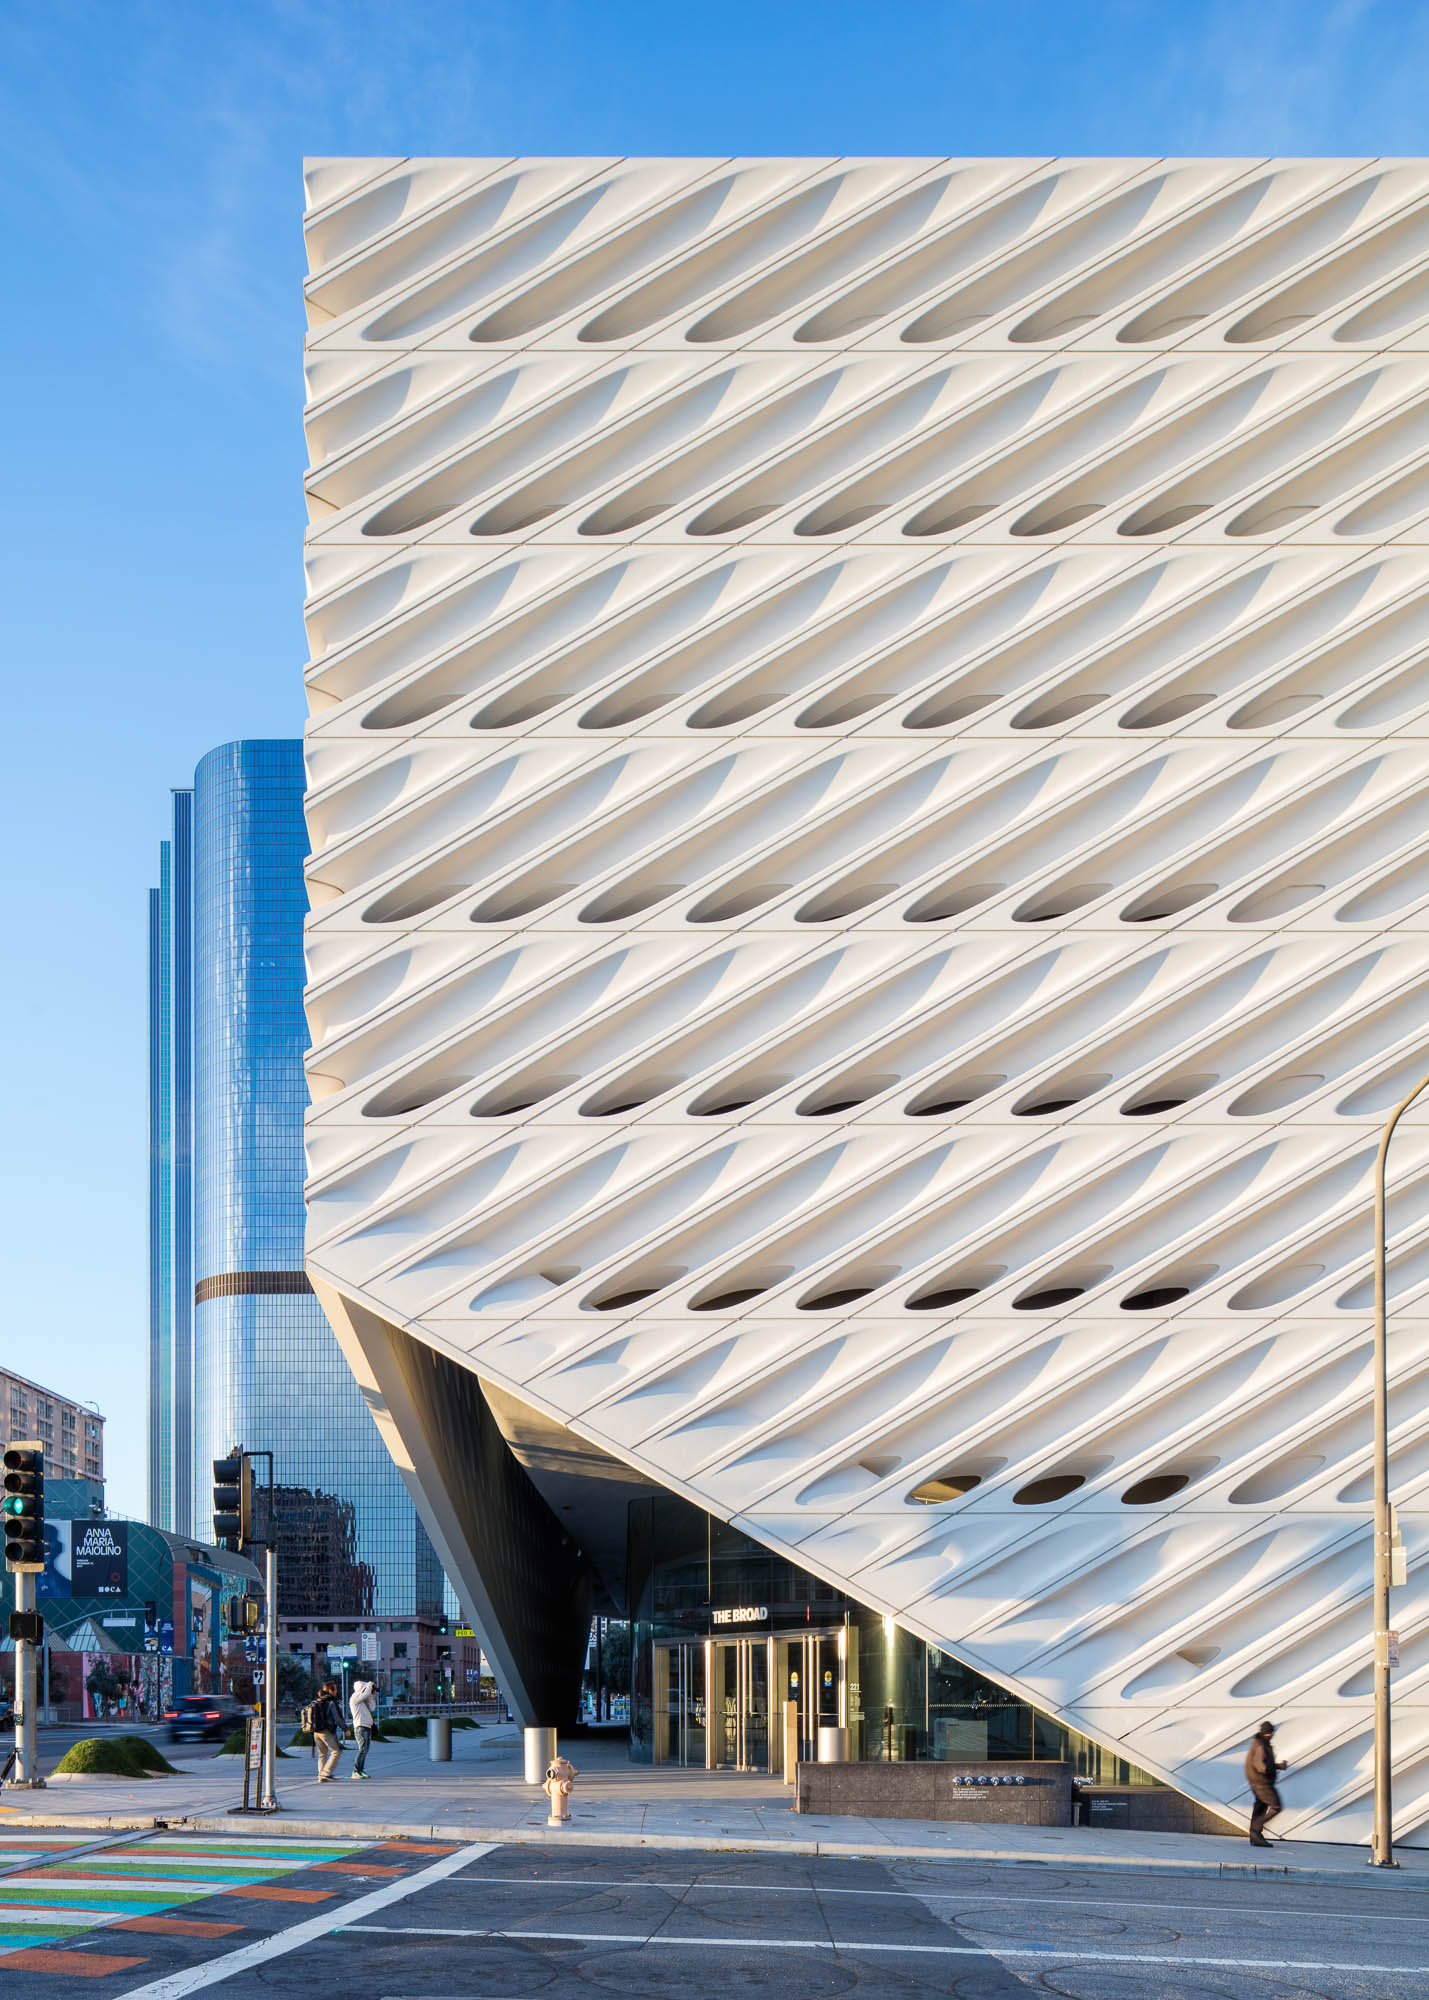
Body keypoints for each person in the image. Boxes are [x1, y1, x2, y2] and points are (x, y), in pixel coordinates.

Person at [1245, 1719, 1285, 1846]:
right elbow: (1263, 1767)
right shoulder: (1261, 1746)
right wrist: (1278, 1766)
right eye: (1269, 1733)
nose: (1271, 1735)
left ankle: (1255, 1836)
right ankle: (1256, 1829)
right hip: (1261, 1783)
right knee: (1276, 1806)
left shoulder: (1260, 1743)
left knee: (1260, 1807)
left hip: (1257, 1781)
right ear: (1266, 1733)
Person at [312, 1681, 344, 1782]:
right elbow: (337, 1718)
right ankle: (326, 1773)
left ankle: (321, 1775)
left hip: (316, 1731)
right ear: (330, 1690)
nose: (336, 1691)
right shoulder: (331, 1701)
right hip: (326, 1731)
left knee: (322, 1754)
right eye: (335, 1689)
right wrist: (345, 1729)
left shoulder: (318, 1700)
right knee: (336, 1751)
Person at [349, 1676, 377, 1779]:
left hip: (367, 1725)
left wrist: (371, 1696)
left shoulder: (363, 1699)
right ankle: (355, 1771)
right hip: (360, 1726)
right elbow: (365, 1694)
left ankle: (360, 1770)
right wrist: (370, 1685)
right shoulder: (355, 1697)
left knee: (365, 1749)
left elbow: (372, 1708)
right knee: (362, 1749)